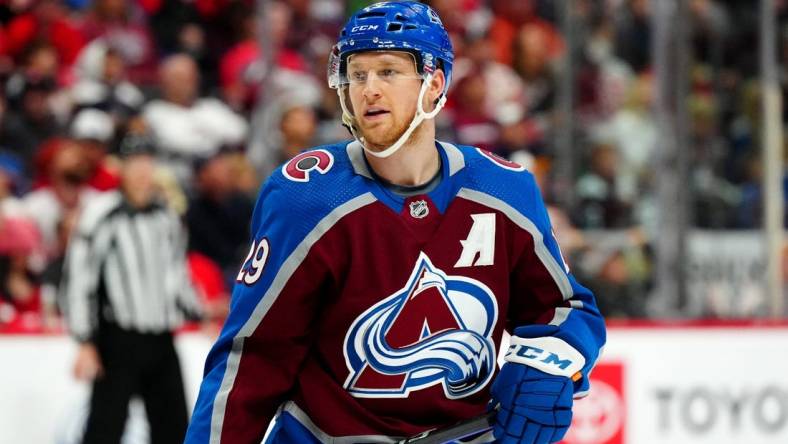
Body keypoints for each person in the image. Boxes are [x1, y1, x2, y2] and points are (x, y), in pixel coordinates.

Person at [186, 2, 606, 444]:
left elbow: (567, 309)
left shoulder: (504, 191)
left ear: (434, 84)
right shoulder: (306, 198)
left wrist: (549, 362)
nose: (368, 89)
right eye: (358, 74)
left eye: (388, 72)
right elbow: (252, 360)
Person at [61, 133, 203, 444]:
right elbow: (80, 278)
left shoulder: (166, 215)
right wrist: (85, 340)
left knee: (175, 428)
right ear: (121, 167)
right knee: (105, 427)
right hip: (118, 340)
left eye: (147, 162)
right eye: (135, 162)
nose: (142, 170)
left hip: (162, 338)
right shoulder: (102, 213)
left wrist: (200, 310)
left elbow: (176, 273)